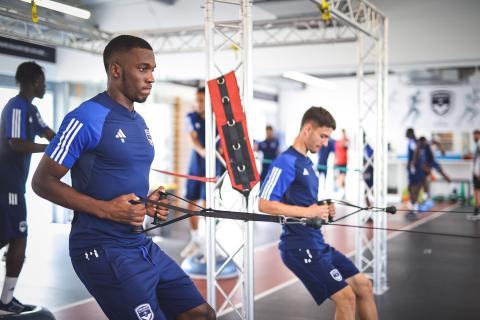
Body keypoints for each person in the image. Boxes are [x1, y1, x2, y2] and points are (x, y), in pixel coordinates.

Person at [32, 35, 215, 320]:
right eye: (143, 69)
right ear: (115, 70)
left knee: (200, 313)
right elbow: (42, 182)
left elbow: (120, 179)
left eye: (152, 69)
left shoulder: (139, 122)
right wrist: (106, 209)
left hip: (139, 243)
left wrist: (148, 202)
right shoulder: (85, 118)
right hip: (101, 247)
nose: (151, 77)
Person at [258, 106, 378, 320]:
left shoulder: (307, 162)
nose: (325, 143)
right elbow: (264, 204)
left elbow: (305, 204)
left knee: (364, 286)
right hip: (299, 247)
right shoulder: (286, 161)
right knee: (346, 298)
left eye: (327, 137)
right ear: (307, 129)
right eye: (322, 136)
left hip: (317, 243)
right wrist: (307, 211)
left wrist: (322, 209)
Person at [0, 61, 55, 314]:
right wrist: (49, 149)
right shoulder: (16, 107)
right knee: (18, 237)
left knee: (14, 237)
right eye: (42, 81)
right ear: (34, 82)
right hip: (6, 184)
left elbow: (49, 134)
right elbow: (15, 143)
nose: (44, 85)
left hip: (14, 186)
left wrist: (72, 147)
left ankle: (6, 300)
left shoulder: (32, 110)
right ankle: (5, 301)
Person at [468, 129, 480, 220]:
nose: (474, 137)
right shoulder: (477, 145)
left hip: (478, 173)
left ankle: (476, 213)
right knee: (476, 192)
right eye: (473, 135)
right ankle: (476, 212)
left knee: (476, 193)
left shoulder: (479, 144)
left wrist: (478, 171)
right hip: (476, 172)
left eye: (475, 135)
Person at [334, 129, 349, 198]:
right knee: (339, 178)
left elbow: (347, 143)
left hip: (343, 163)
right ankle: (340, 191)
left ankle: (343, 192)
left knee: (342, 177)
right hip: (338, 162)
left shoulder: (345, 140)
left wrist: (345, 136)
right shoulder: (337, 142)